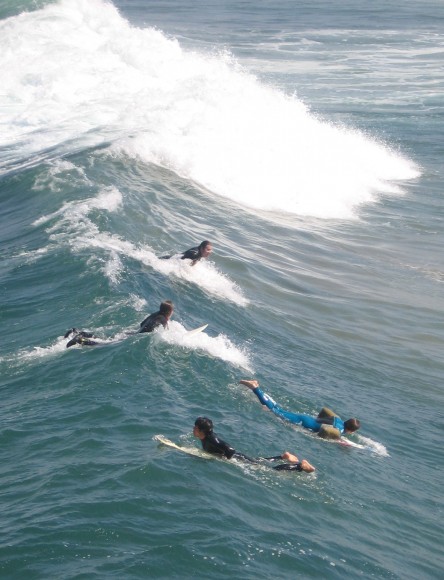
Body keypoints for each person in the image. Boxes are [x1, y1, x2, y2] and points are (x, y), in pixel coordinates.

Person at [240, 380, 360, 441]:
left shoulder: (338, 419)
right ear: (351, 431)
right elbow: (325, 431)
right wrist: (337, 439)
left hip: (306, 418)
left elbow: (325, 411)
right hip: (303, 423)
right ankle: (255, 388)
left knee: (278, 409)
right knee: (274, 411)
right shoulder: (338, 430)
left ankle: (257, 387)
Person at [193, 417, 315, 473]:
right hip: (238, 457)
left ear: (202, 431)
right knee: (258, 461)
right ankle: (283, 457)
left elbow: (229, 449)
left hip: (237, 458)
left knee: (268, 470)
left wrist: (229, 459)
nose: (193, 429)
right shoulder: (207, 437)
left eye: (196, 427)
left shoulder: (212, 440)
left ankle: (300, 466)